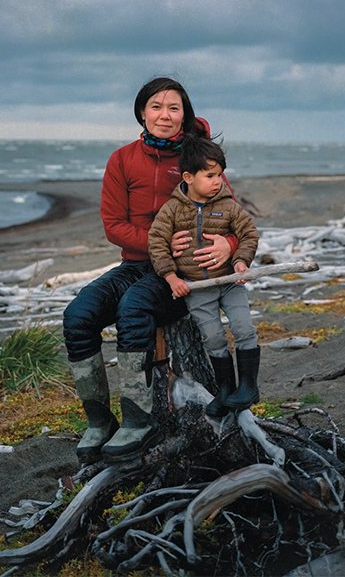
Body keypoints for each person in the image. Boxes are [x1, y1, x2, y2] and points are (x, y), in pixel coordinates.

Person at [62, 77, 237, 464]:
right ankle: (99, 421)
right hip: (137, 263)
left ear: (184, 116)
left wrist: (229, 244)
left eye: (174, 108)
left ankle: (137, 421)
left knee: (134, 308)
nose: (164, 115)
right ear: (142, 112)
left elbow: (233, 216)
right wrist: (157, 244)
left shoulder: (199, 160)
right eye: (156, 106)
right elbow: (114, 226)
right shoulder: (122, 159)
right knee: (78, 315)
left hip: (184, 272)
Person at [148, 136, 262, 419]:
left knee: (244, 328)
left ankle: (248, 386)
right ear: (188, 177)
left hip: (229, 283)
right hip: (197, 287)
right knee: (212, 337)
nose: (217, 181)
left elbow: (249, 234)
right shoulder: (173, 210)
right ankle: (225, 390)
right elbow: (157, 242)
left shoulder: (228, 205)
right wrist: (172, 276)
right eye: (210, 175)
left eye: (219, 174)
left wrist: (240, 261)